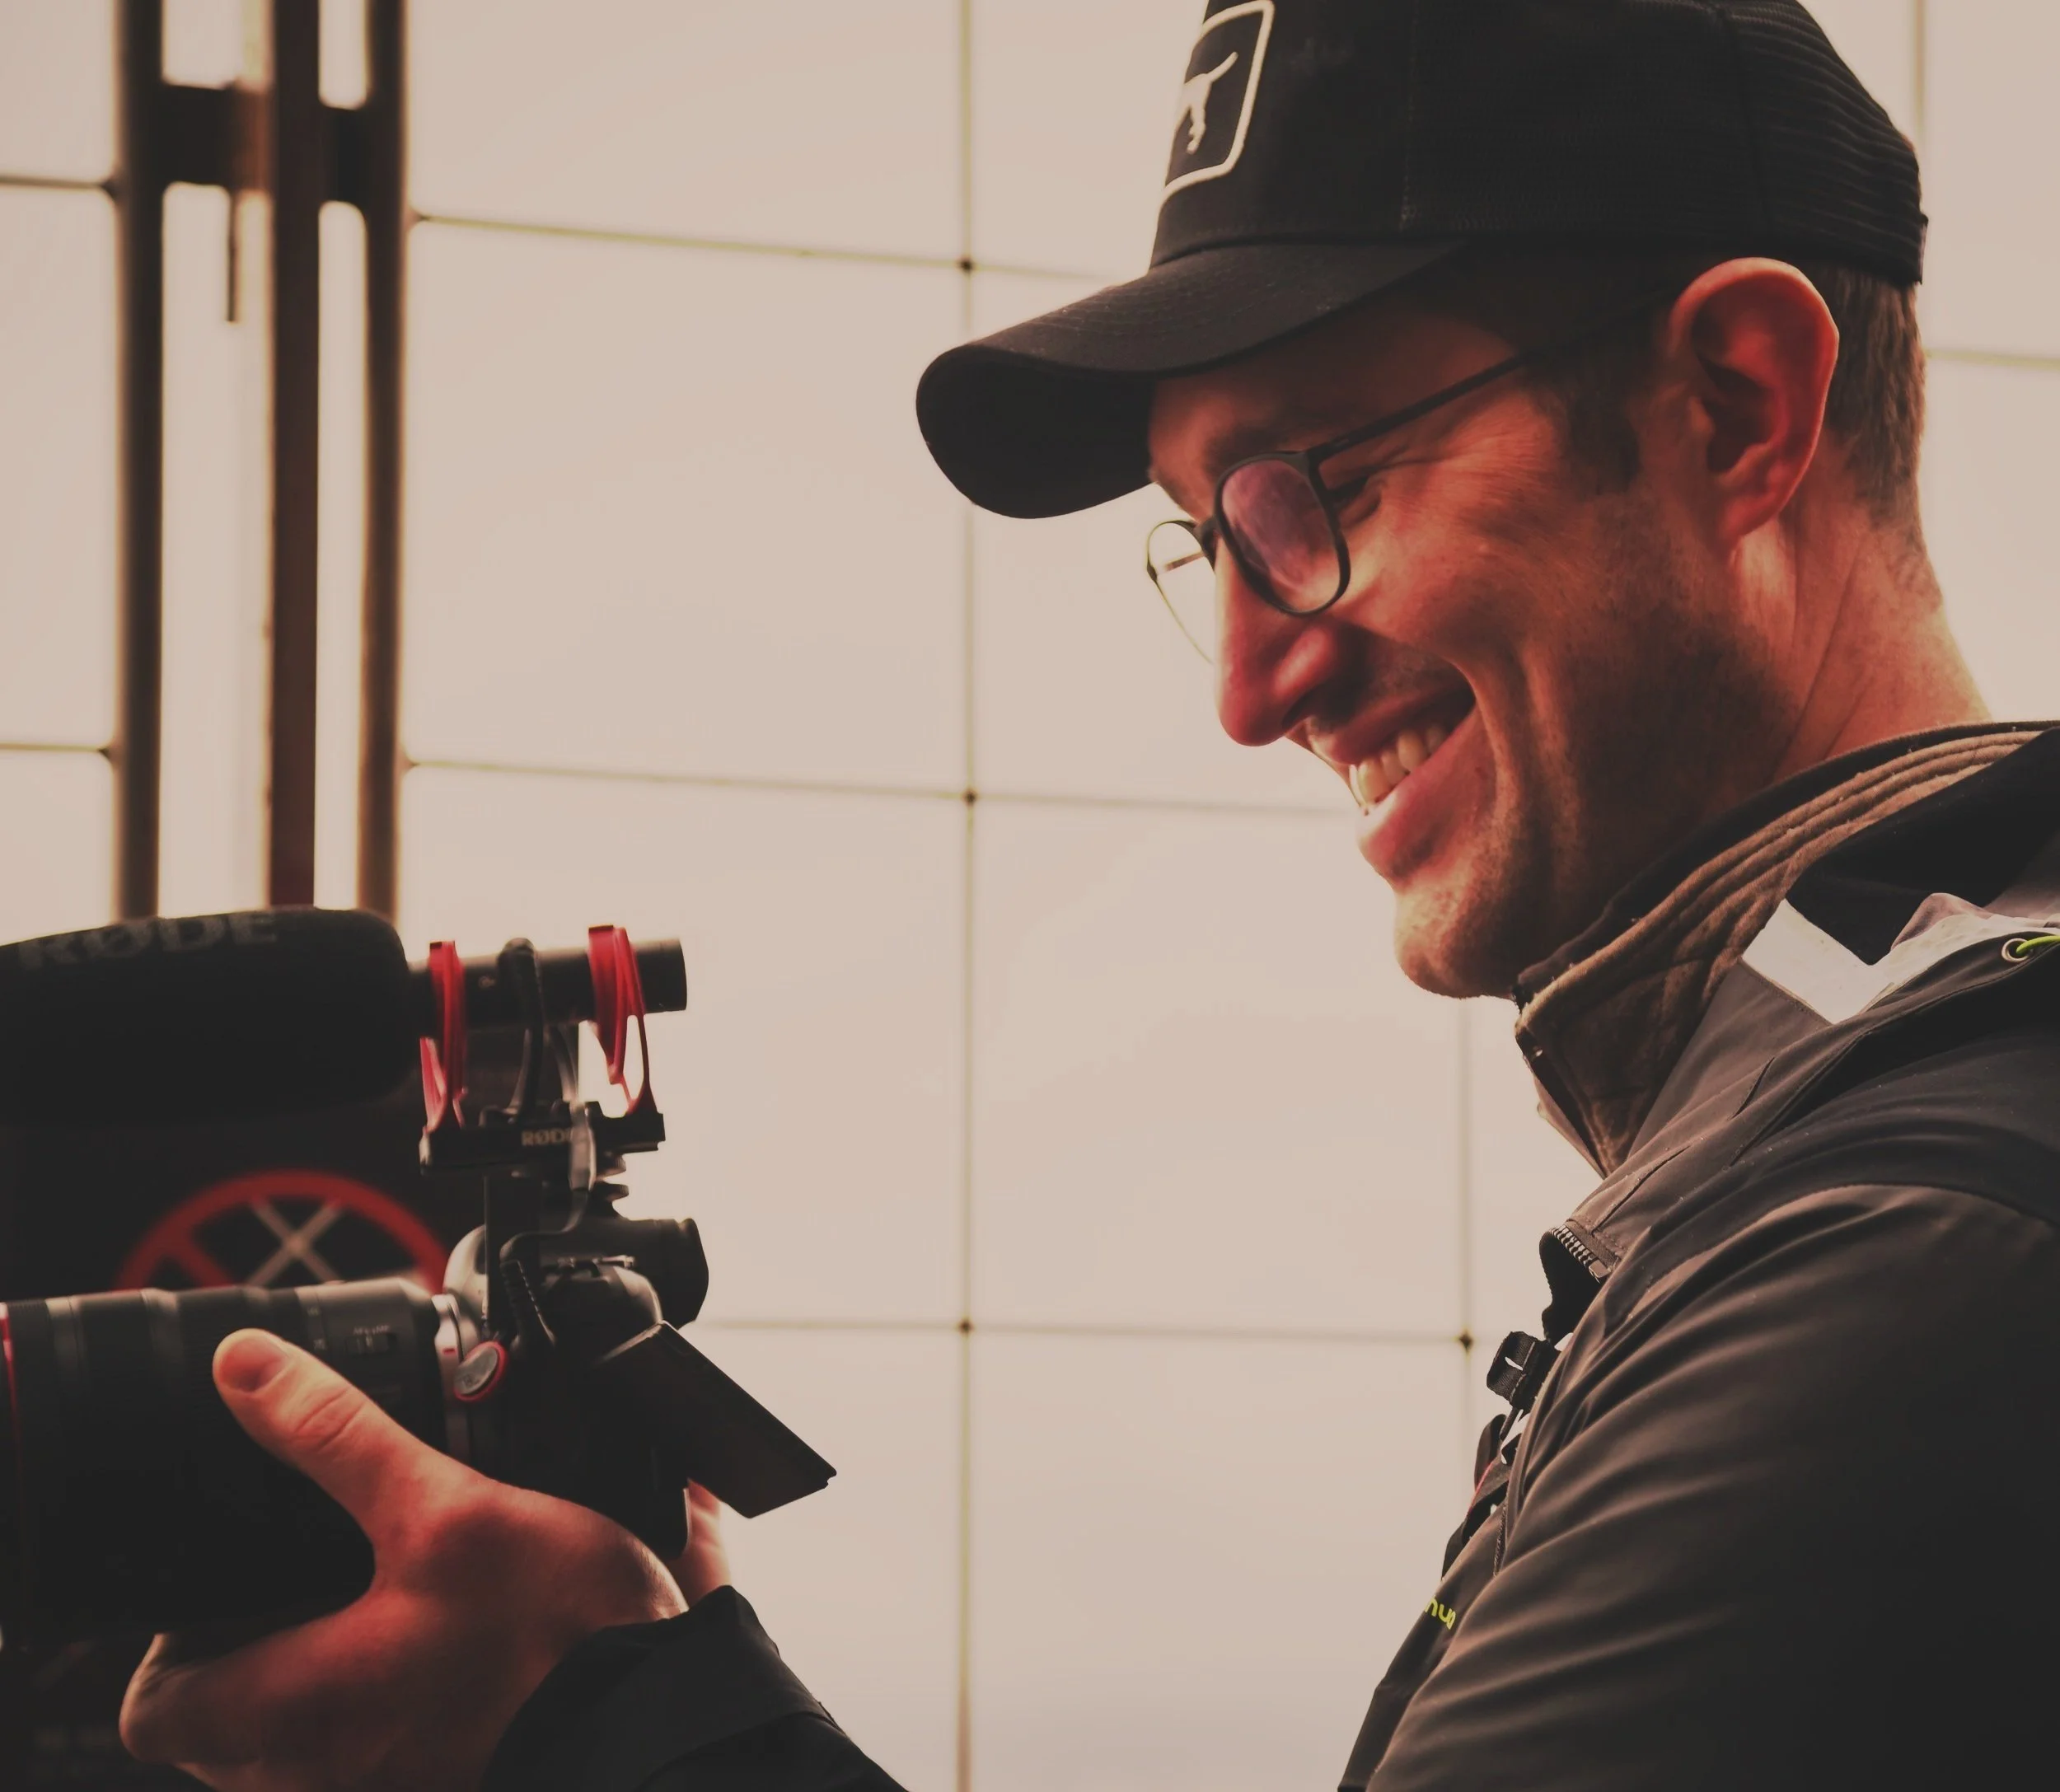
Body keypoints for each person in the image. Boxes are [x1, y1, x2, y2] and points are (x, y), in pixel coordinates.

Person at [122, 1, 2060, 1786]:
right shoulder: (1847, 1122)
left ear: (1735, 405)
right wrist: (648, 1663)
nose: (1245, 690)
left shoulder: (1900, 1230)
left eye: (1315, 494)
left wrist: (593, 1725)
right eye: (1201, 543)